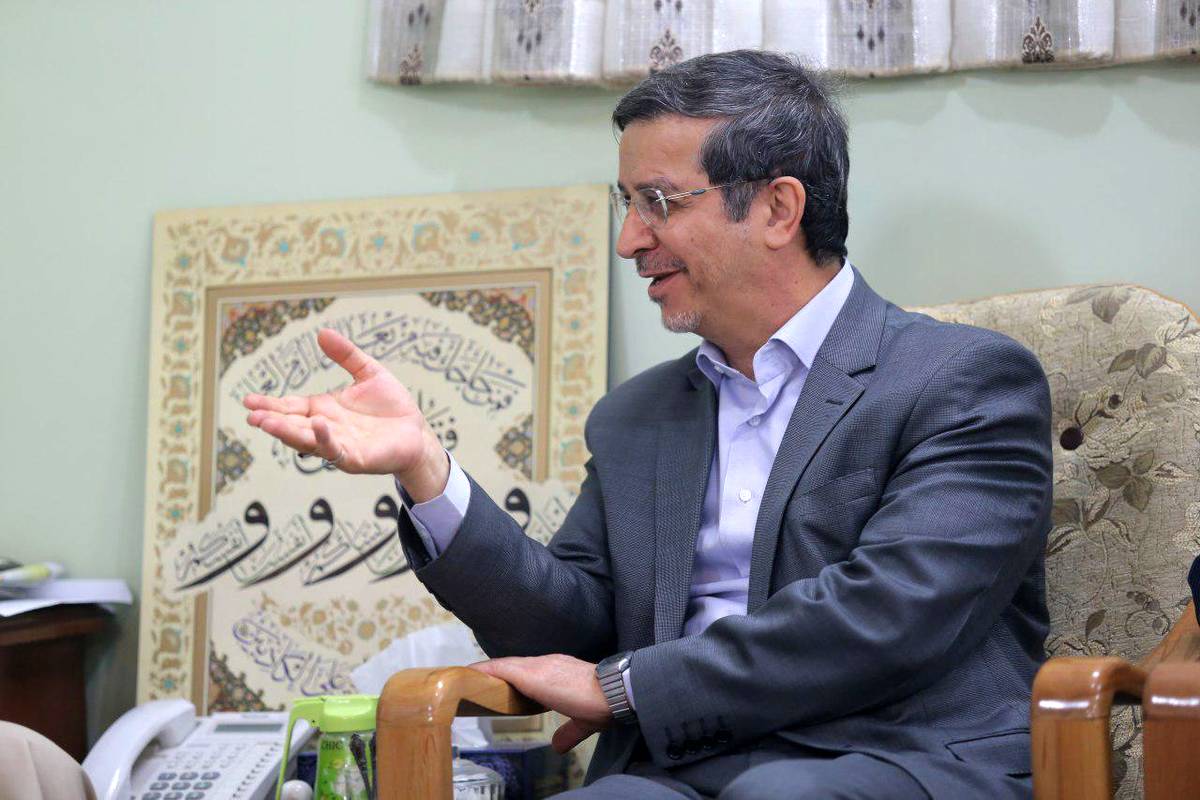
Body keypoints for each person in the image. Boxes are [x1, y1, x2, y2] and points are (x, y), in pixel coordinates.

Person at [244, 50, 1053, 800]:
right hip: (677, 768)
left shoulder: (964, 381)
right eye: (626, 204)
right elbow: (567, 628)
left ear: (778, 209)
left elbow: (889, 615)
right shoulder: (637, 417)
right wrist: (425, 468)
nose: (630, 240)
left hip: (894, 756)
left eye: (658, 202)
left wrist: (623, 687)